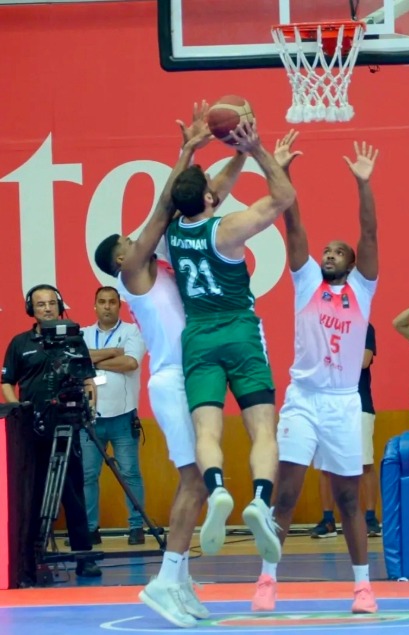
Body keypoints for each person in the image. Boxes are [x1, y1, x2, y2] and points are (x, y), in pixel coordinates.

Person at [94, 102, 252, 628]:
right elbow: (162, 208)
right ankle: (165, 579)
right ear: (121, 260)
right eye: (128, 242)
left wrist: (240, 152)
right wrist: (187, 149)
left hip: (191, 372)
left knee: (201, 482)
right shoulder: (133, 275)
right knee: (193, 482)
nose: (137, 238)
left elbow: (205, 196)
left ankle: (179, 582)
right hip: (170, 380)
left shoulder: (161, 262)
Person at [252, 131, 379, 614]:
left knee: (348, 500)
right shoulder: (306, 281)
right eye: (326, 250)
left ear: (352, 262)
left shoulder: (362, 290)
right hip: (303, 398)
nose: (328, 254)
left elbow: (369, 233)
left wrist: (363, 184)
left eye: (337, 251)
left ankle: (363, 588)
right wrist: (281, 172)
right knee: (285, 494)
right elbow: (293, 224)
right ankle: (267, 579)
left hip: (344, 403)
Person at [165, 119, 296, 566]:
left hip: (198, 336)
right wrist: (256, 150)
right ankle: (259, 499)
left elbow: (208, 191)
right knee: (263, 428)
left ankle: (217, 489)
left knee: (207, 431)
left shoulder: (172, 231)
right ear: (208, 199)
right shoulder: (229, 229)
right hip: (239, 330)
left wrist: (233, 156)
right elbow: (283, 197)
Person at [1, 284, 101, 582]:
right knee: (31, 492)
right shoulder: (20, 343)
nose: (47, 308)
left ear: (60, 306)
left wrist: (89, 408)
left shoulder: (75, 341)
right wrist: (18, 410)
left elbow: (88, 380)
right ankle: (30, 559)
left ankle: (83, 557)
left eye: (51, 303)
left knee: (73, 493)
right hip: (31, 430)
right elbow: (7, 381)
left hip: (68, 426)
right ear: (31, 310)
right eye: (40, 304)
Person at [80, 286, 146, 545]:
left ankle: (136, 527)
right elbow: (76, 363)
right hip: (89, 418)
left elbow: (130, 363)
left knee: (130, 473)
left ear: (119, 306)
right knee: (87, 476)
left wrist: (91, 361)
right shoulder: (82, 334)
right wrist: (114, 352)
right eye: (102, 302)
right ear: (95, 306)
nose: (107, 306)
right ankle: (90, 528)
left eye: (112, 302)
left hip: (123, 417)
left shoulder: (132, 332)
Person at [310, 323, 381, 538]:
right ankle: (328, 520)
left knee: (365, 462)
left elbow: (363, 361)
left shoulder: (364, 326)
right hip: (329, 405)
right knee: (326, 466)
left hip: (359, 404)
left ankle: (370, 518)